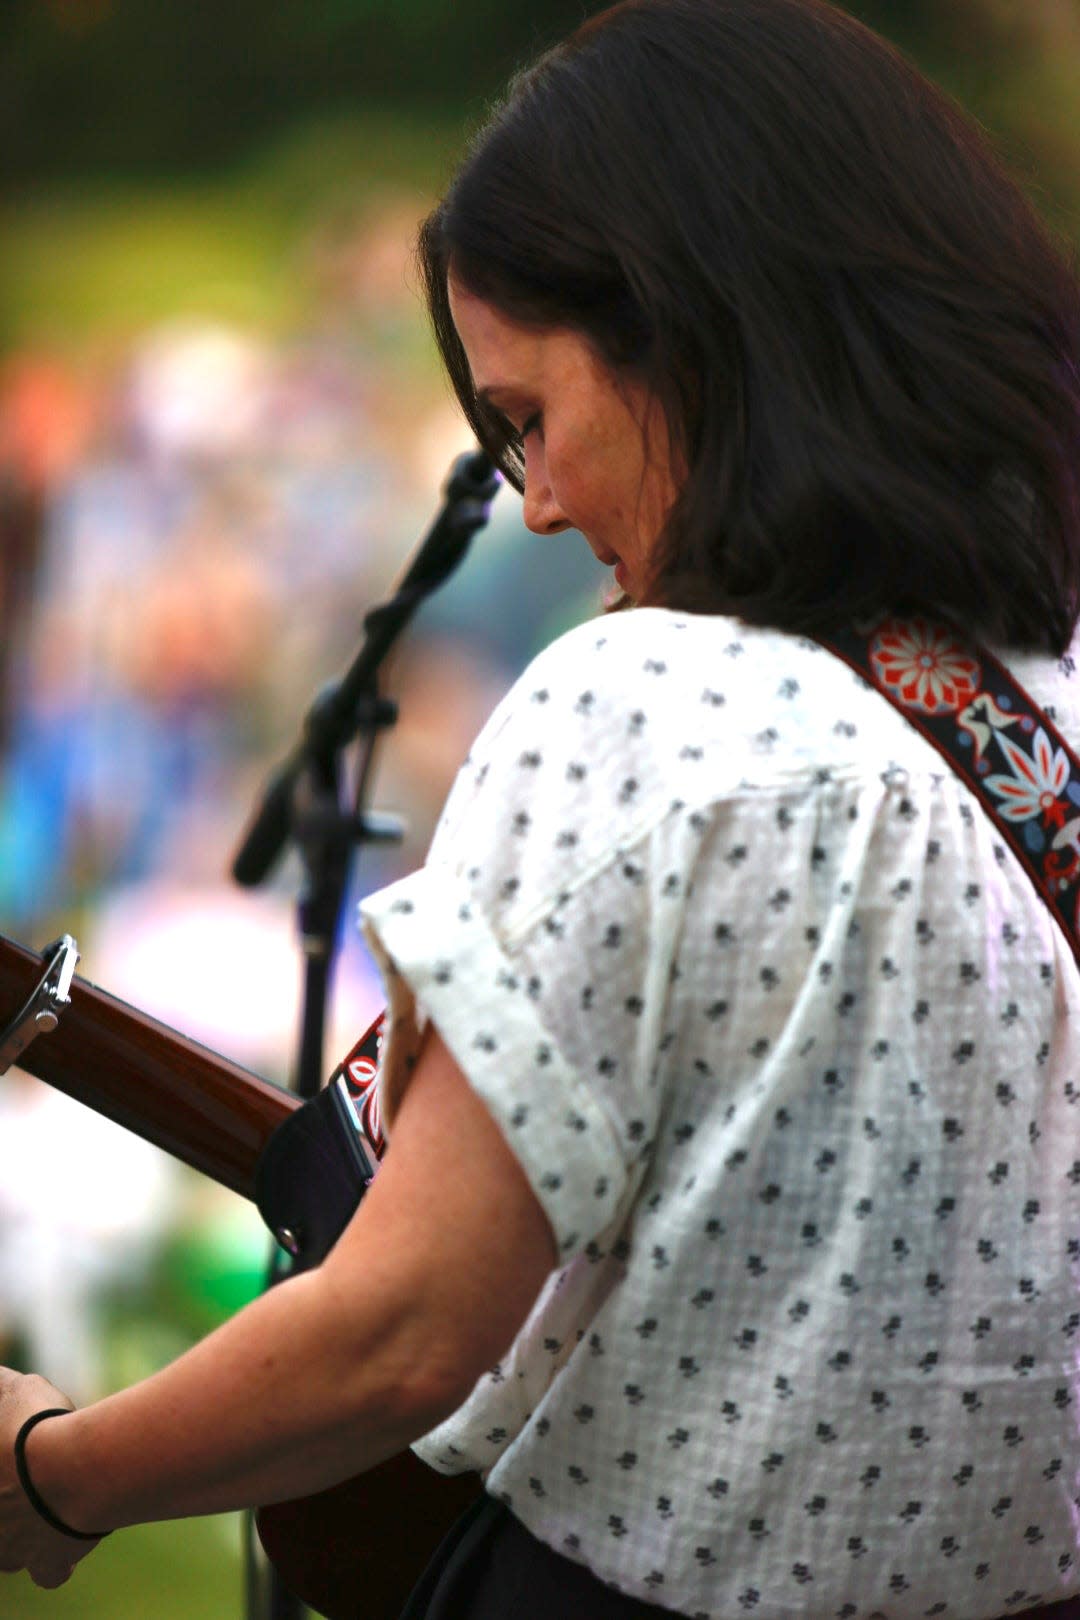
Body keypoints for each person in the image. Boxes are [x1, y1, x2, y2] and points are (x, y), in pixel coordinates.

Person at [3, 0, 1080, 1614]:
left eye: (528, 418)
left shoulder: (643, 701)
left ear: (701, 331)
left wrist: (53, 1473)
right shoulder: (1042, 690)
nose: (541, 500)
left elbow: (406, 1329)